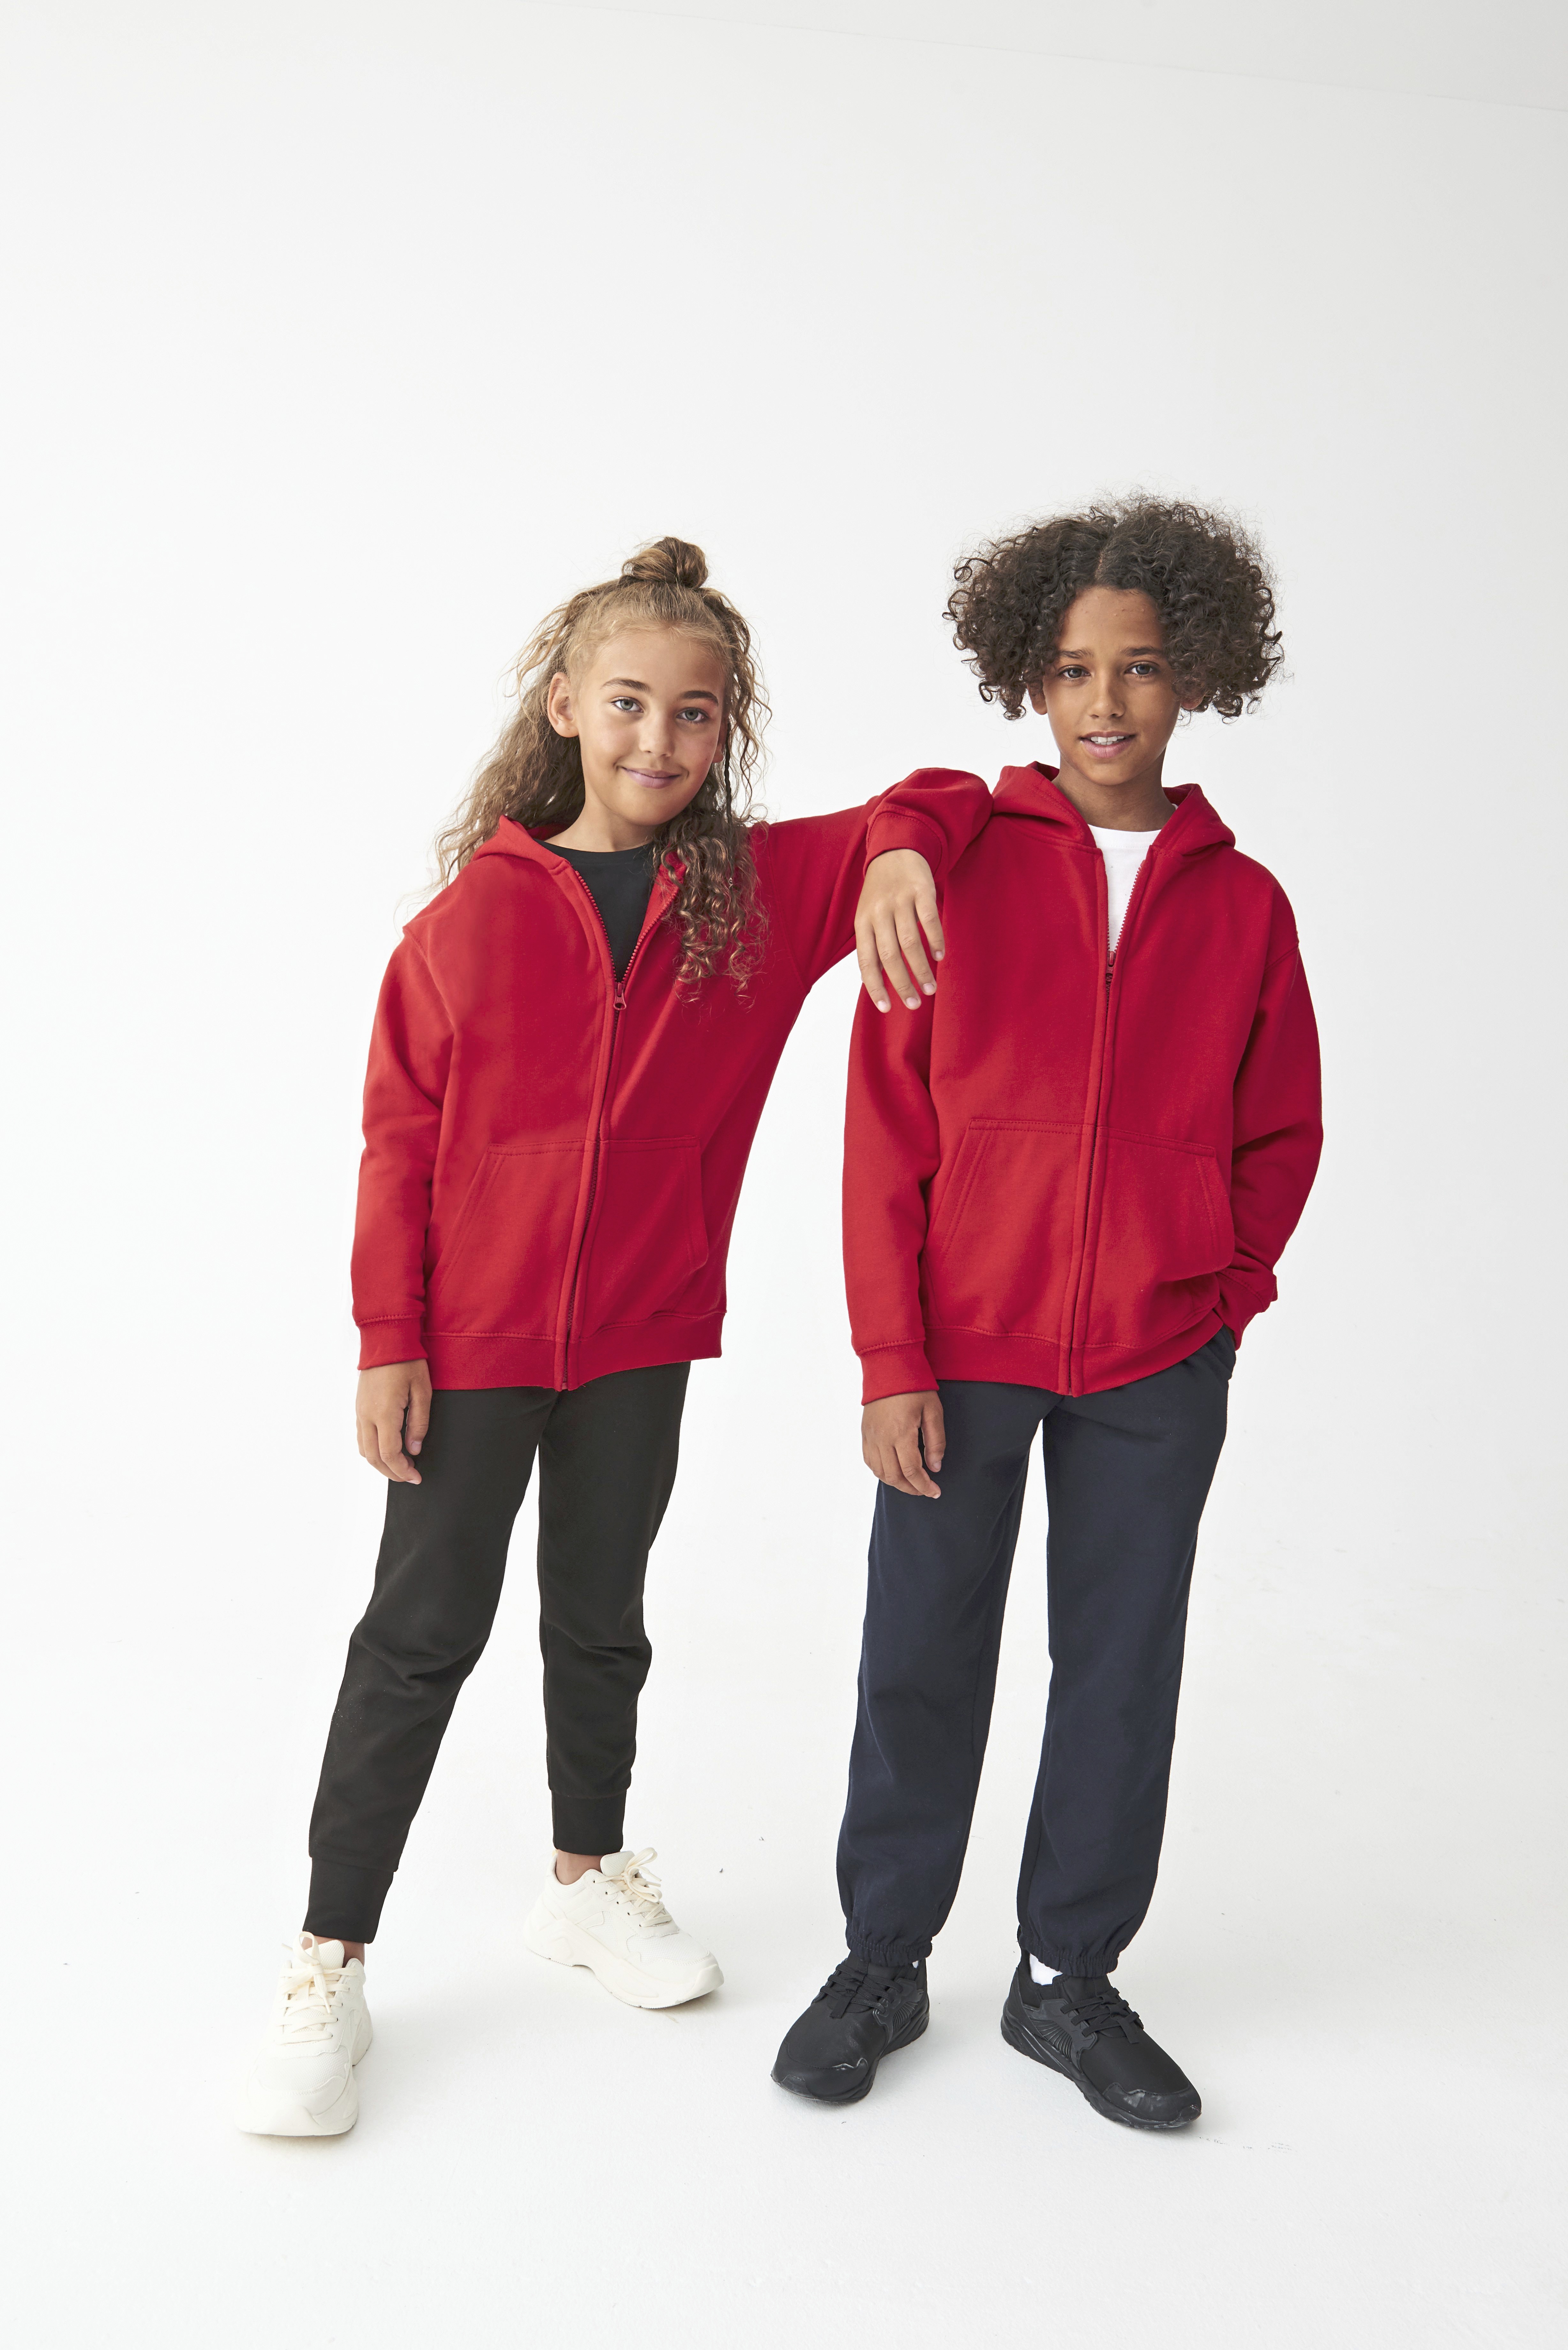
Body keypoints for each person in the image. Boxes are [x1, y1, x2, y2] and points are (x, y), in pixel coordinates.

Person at [238, 537, 991, 2137]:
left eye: (696, 714)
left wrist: (900, 856)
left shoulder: (752, 898)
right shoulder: (465, 923)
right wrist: (388, 1337)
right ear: (566, 705)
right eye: (632, 703)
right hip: (473, 1340)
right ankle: (329, 1958)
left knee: (601, 1617)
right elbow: (397, 1143)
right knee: (418, 1636)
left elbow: (951, 792)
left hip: (641, 1334)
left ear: (728, 731)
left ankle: (584, 1879)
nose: (661, 739)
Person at [773, 497, 1323, 2126]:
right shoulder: (952, 864)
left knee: (1121, 1666)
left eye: (1139, 668)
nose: (1105, 701)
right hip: (959, 1345)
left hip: (1159, 1356)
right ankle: (883, 1959)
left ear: (1194, 677)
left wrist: (1220, 1298)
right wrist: (890, 1354)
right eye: (1074, 669)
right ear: (1028, 677)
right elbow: (886, 1131)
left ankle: (1066, 1977)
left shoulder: (1244, 904)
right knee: (918, 1656)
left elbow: (1280, 1128)